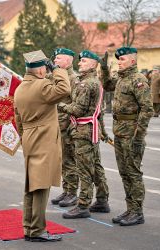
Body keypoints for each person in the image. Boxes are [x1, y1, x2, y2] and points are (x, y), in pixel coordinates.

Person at [14, 50, 71, 242]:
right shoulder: (42, 85)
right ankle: (37, 230)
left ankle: (29, 227)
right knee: (41, 185)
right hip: (44, 139)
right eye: (45, 68)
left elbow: (18, 120)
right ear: (40, 69)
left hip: (30, 138)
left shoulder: (20, 88)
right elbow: (64, 90)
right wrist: (57, 70)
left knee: (32, 184)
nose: (46, 71)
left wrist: (25, 137)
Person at [100, 47, 154, 226]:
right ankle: (130, 209)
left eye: (122, 59)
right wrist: (105, 69)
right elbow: (107, 85)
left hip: (132, 135)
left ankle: (137, 212)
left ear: (132, 61)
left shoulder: (138, 80)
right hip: (120, 134)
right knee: (124, 173)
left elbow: (147, 109)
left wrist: (139, 137)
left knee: (133, 173)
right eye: (118, 60)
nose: (119, 62)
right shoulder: (122, 78)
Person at [58, 50, 110, 219]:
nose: (80, 63)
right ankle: (102, 200)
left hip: (83, 130)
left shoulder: (86, 84)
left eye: (84, 61)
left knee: (84, 169)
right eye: (80, 61)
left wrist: (62, 106)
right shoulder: (93, 81)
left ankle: (83, 205)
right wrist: (102, 130)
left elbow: (78, 110)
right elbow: (99, 111)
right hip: (91, 129)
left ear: (94, 64)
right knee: (95, 166)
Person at [50, 48, 78, 208]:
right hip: (57, 124)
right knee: (62, 160)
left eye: (58, 58)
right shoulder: (57, 76)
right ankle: (66, 190)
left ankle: (72, 192)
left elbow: (75, 104)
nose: (55, 61)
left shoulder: (73, 78)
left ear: (68, 61)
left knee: (69, 160)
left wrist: (70, 125)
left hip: (67, 125)